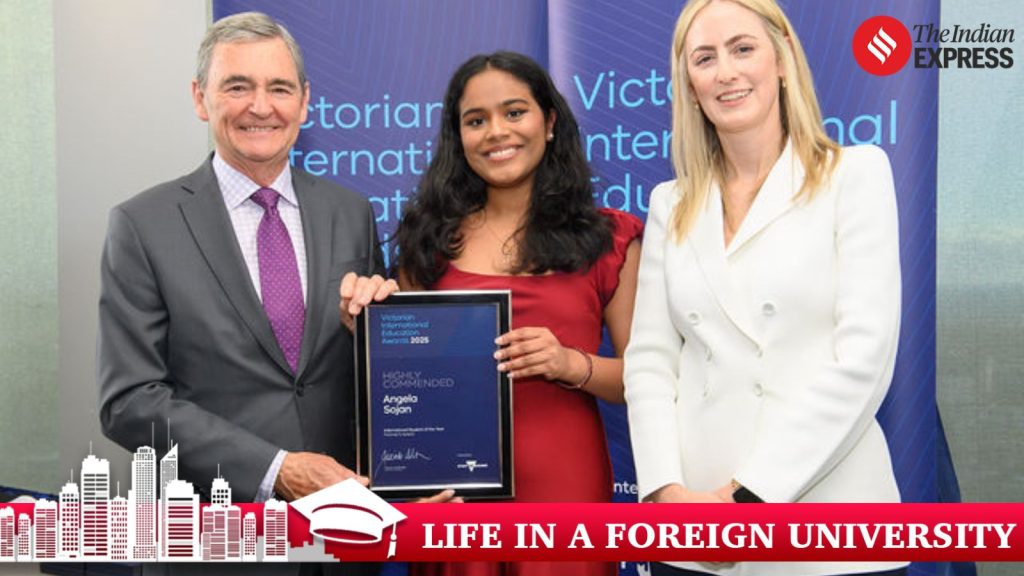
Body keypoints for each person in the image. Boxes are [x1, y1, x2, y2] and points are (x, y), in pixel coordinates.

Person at [97, 11, 412, 575]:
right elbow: (130, 401)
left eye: (279, 88)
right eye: (237, 86)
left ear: (305, 101)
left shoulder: (351, 213)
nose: (260, 107)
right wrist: (277, 468)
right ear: (200, 98)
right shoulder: (143, 225)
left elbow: (373, 377)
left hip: (345, 547)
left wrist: (411, 475)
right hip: (216, 547)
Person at [623, 1, 907, 575]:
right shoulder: (669, 204)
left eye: (742, 48)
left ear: (782, 59)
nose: (725, 71)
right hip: (695, 534)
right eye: (705, 58)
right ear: (690, 84)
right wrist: (665, 495)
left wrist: (749, 502)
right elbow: (649, 361)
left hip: (832, 529)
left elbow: (864, 360)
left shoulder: (856, 175)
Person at [344, 51, 642, 576]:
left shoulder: (610, 237)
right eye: (475, 121)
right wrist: (369, 331)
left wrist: (573, 365)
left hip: (565, 489)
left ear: (549, 122)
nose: (496, 132)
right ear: (457, 137)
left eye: (514, 112)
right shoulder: (427, 238)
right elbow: (407, 382)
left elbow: (648, 380)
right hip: (453, 498)